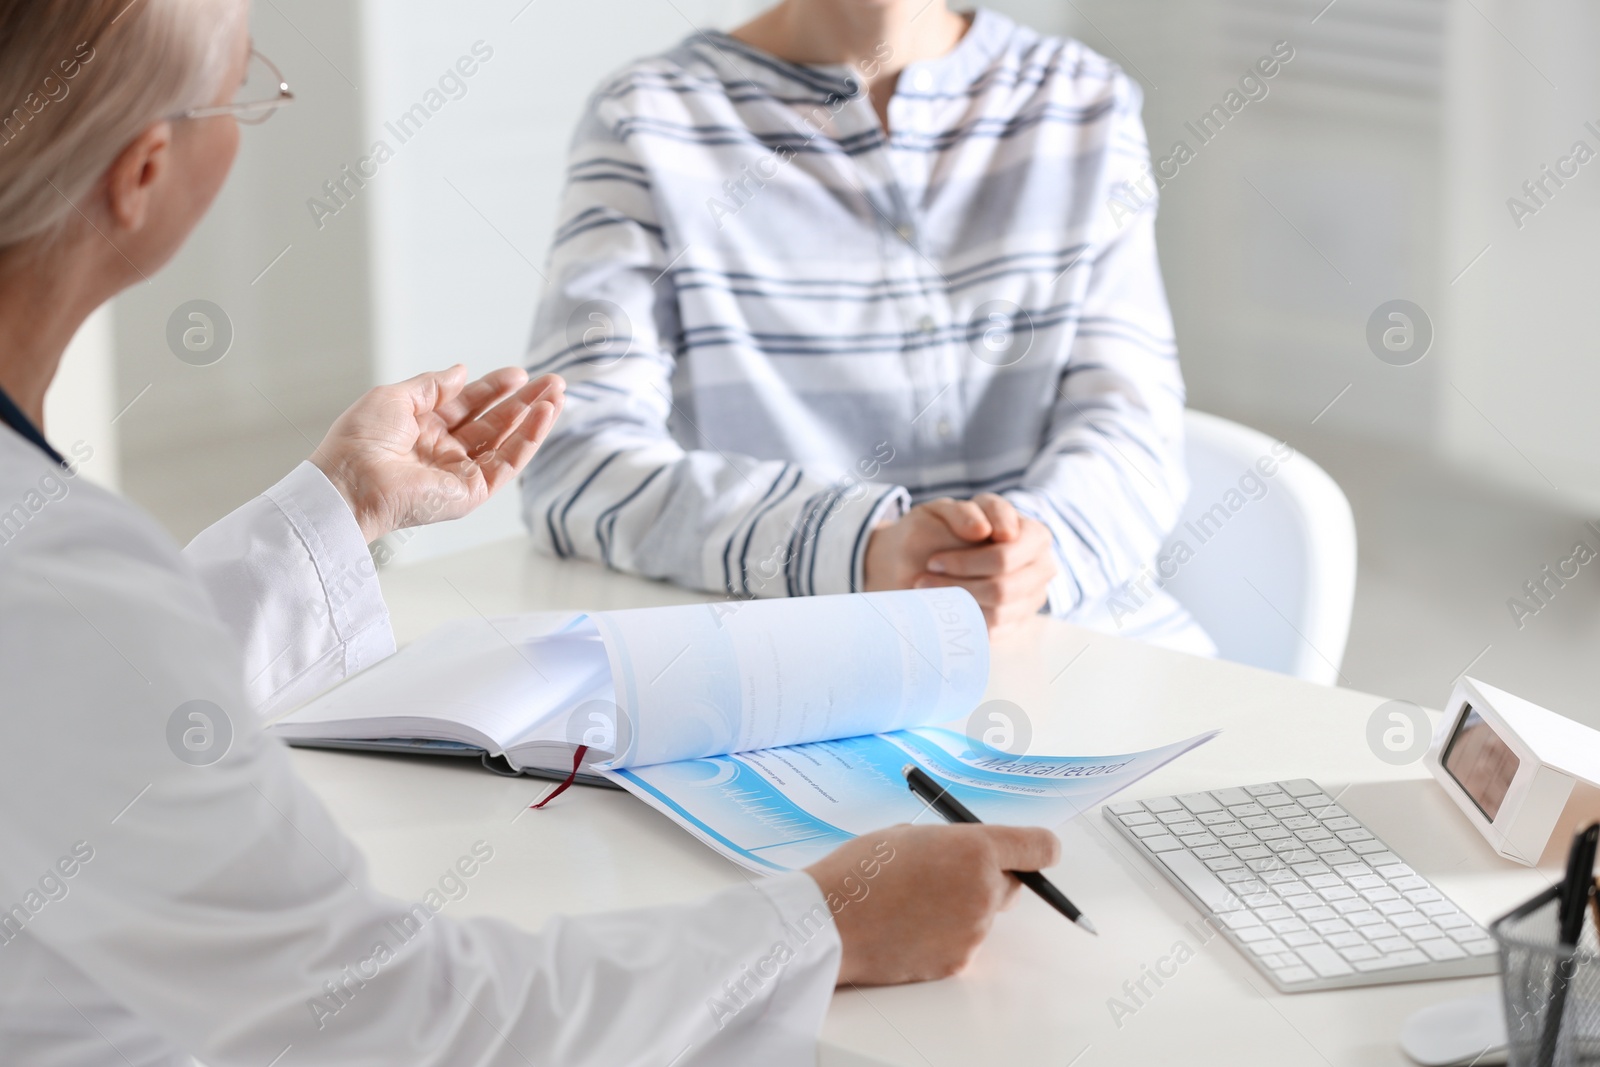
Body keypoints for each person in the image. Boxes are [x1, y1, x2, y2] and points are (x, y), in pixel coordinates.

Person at [0, 3, 1060, 1065]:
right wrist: (823, 927)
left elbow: (81, 704)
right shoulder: (59, 578)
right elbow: (384, 1022)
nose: (255, 113)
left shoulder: (56, 581)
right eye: (240, 93)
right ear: (141, 174)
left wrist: (343, 500)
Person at [522, 0, 1215, 650]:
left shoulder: (1083, 98)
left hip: (1085, 650)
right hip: (803, 669)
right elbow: (574, 461)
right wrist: (862, 548)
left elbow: (1135, 428)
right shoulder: (647, 117)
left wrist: (1038, 553)